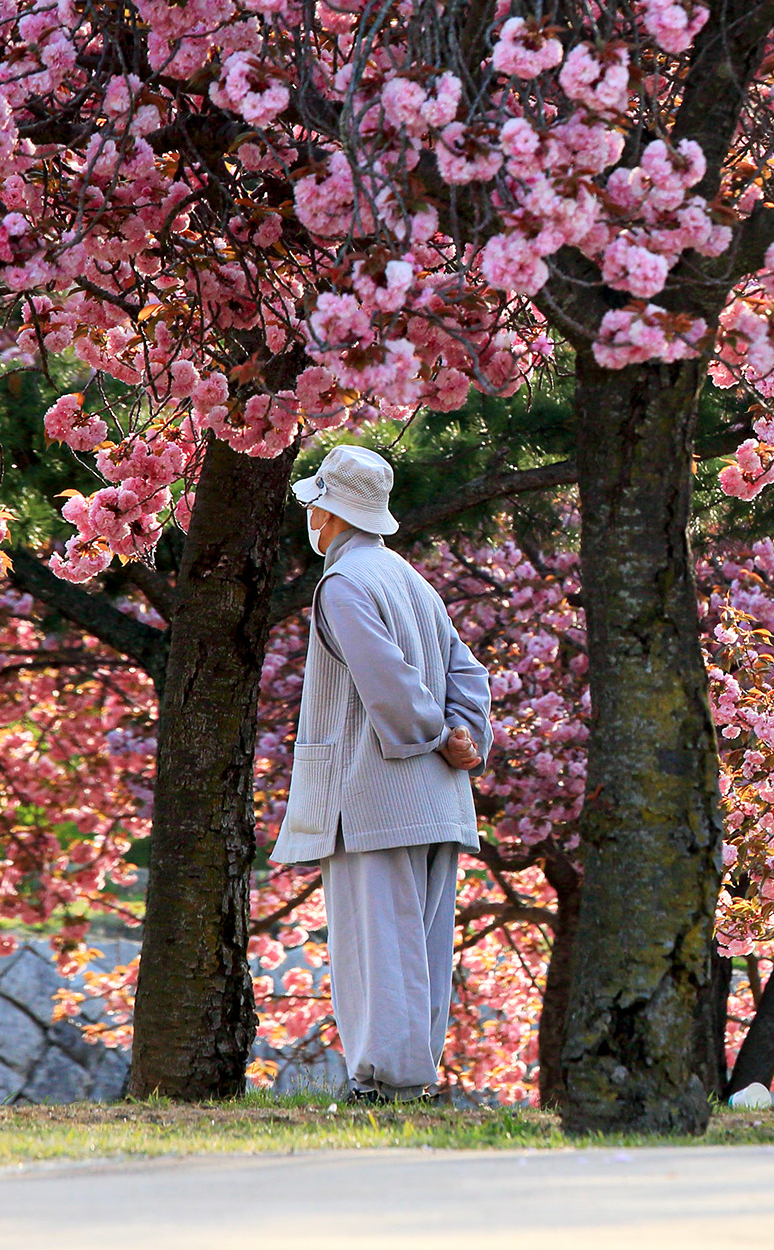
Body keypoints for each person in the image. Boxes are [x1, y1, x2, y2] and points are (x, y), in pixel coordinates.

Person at [271, 444, 492, 1105]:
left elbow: (385, 681)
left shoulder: (344, 584)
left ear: (330, 513)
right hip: (439, 797)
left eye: (316, 504)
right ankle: (410, 1074)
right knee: (421, 944)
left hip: (376, 792)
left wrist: (428, 730)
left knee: (378, 944)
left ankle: (386, 1080)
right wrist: (463, 735)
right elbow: (469, 673)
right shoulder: (411, 579)